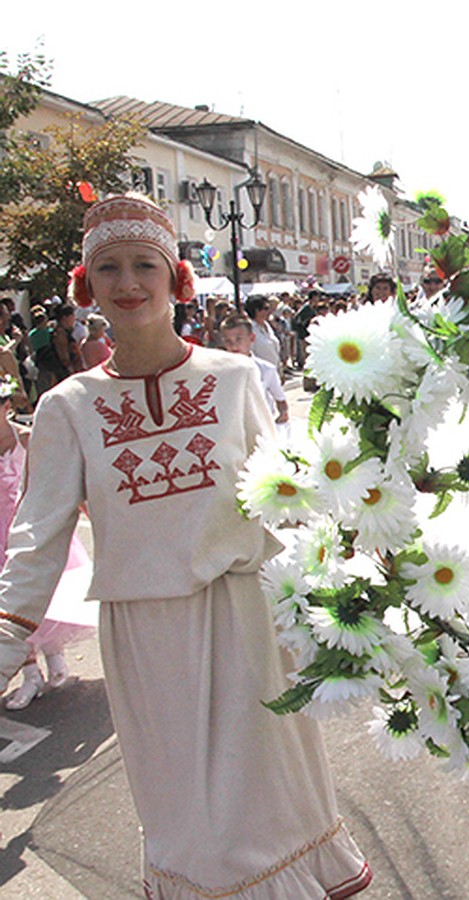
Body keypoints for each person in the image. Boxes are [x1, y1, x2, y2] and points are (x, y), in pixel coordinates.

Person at [0, 194, 371, 896]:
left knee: (270, 805)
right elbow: (37, 537)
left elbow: (283, 497)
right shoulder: (66, 407)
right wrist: (6, 640)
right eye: (108, 268)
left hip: (246, 622)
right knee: (189, 821)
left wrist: (350, 553)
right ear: (86, 285)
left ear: (177, 279)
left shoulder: (233, 381)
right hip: (147, 639)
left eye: (146, 265)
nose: (128, 283)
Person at [0, 375, 94, 710]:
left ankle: (55, 659)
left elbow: (61, 481)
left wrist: (88, 511)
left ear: (7, 407)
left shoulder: (26, 439)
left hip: (34, 528)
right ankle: (30, 675)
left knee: (52, 595)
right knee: (12, 605)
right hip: (1, 535)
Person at [221, 315, 289, 426]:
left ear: (252, 338)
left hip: (261, 426)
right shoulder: (220, 371)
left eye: (239, 339)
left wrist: (283, 413)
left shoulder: (266, 369)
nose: (233, 345)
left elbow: (280, 398)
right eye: (228, 341)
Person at [244, 295, 282, 374]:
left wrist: (280, 370)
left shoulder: (267, 326)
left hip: (273, 373)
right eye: (266, 309)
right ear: (256, 310)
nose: (270, 311)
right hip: (260, 375)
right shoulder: (249, 329)